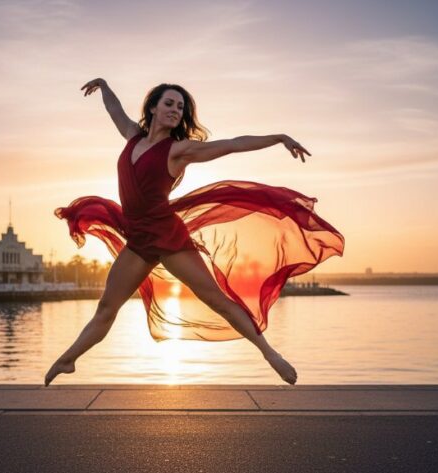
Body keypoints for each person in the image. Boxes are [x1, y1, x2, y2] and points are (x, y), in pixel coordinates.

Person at [45, 78, 344, 386]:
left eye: (180, 107)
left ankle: (270, 354)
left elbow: (231, 145)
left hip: (167, 236)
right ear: (153, 107)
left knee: (217, 300)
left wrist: (279, 137)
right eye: (169, 104)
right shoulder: (132, 136)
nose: (176, 110)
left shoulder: (178, 150)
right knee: (107, 308)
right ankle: (68, 360)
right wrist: (105, 86)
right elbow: (114, 109)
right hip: (138, 239)